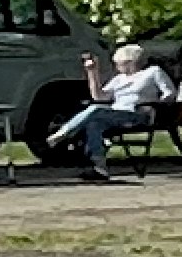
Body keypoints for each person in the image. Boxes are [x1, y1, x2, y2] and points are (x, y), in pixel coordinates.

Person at [50, 44, 175, 180]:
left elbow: (170, 93)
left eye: (118, 63)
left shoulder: (152, 72)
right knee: (94, 124)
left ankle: (64, 133)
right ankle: (100, 168)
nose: (116, 67)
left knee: (96, 110)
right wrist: (92, 72)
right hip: (117, 114)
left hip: (138, 114)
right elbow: (99, 97)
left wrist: (156, 104)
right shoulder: (119, 79)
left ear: (130, 62)